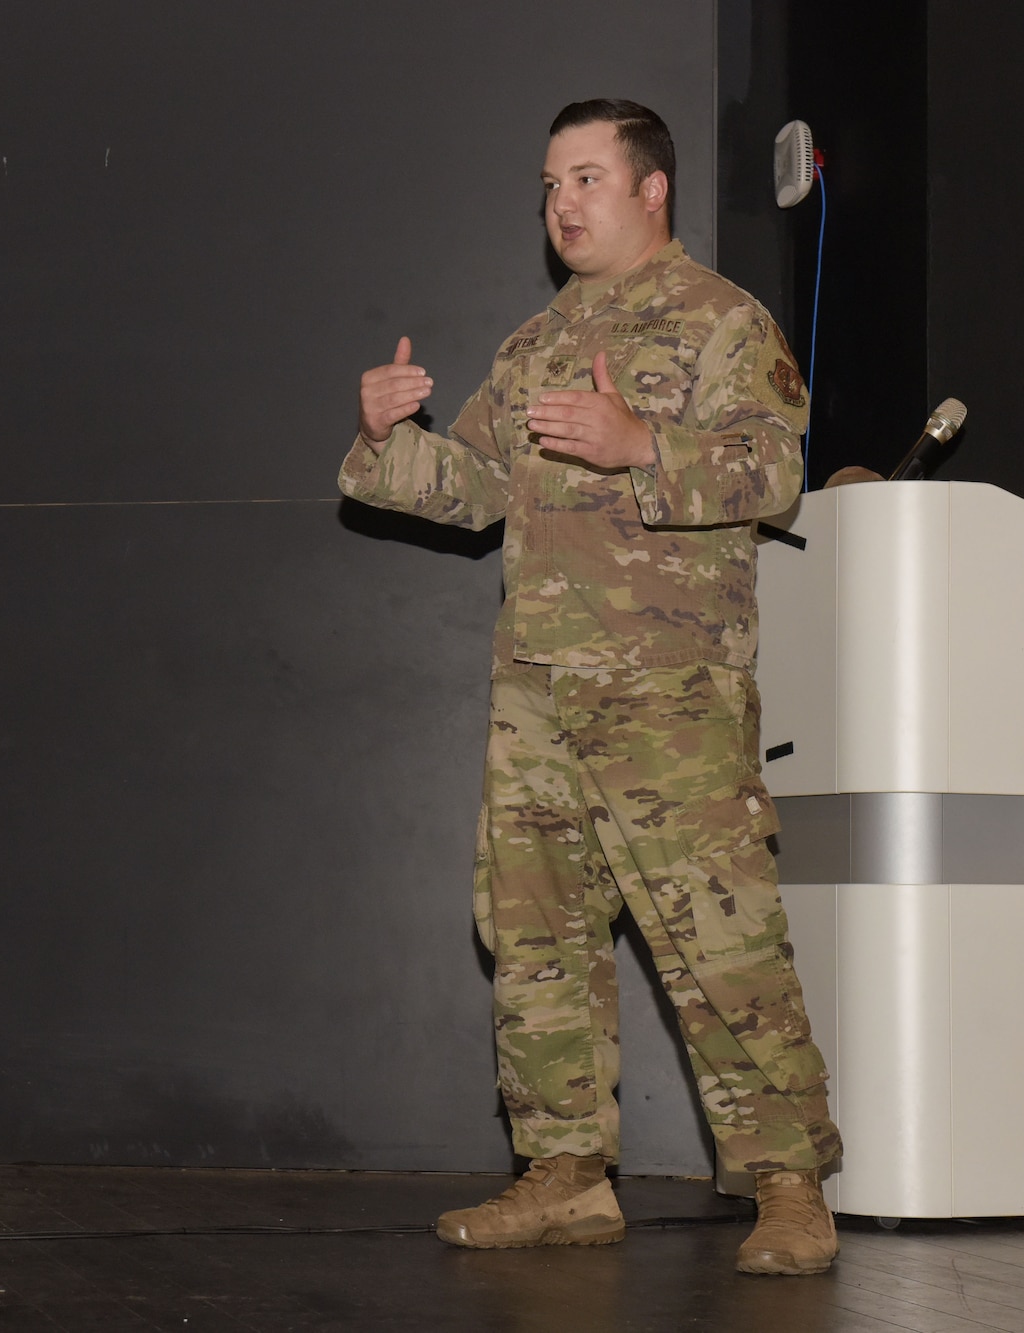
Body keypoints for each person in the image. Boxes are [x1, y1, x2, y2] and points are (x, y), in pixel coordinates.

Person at [337, 99, 840, 1277]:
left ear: (649, 188)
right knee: (534, 938)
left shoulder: (722, 320)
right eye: (548, 185)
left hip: (668, 693)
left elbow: (773, 471)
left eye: (584, 178)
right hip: (537, 694)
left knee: (720, 939)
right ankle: (563, 1175)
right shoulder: (532, 345)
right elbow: (467, 487)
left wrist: (639, 447)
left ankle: (788, 1185)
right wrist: (383, 440)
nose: (560, 202)